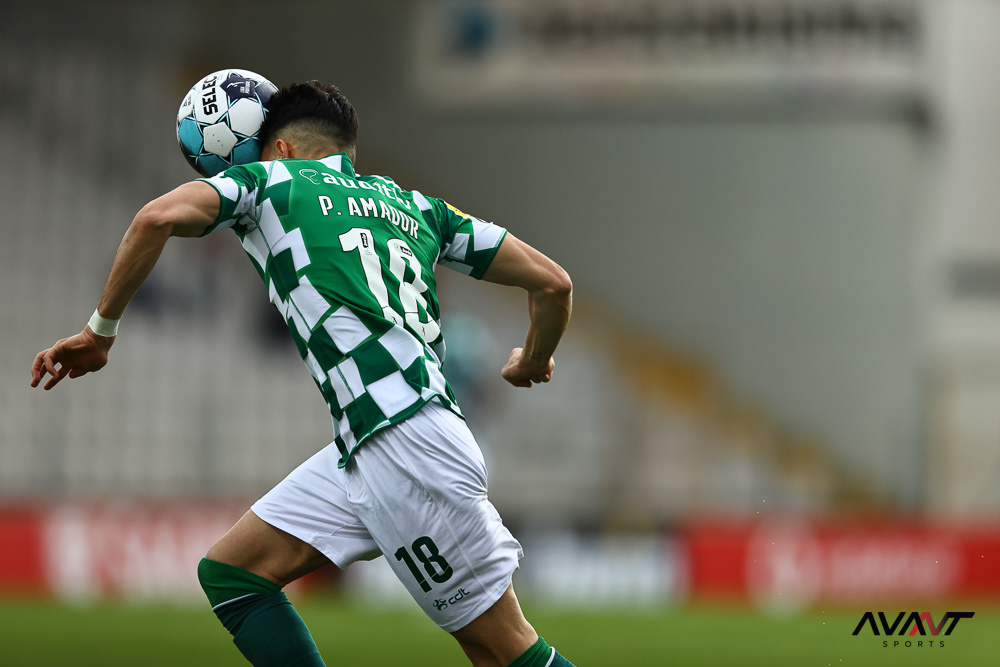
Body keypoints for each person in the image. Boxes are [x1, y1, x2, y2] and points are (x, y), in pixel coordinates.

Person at [30, 80, 575, 667]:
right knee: (234, 573)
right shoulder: (417, 208)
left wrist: (99, 333)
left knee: (501, 649)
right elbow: (553, 283)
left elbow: (155, 217)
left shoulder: (272, 182)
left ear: (283, 149)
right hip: (374, 440)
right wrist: (534, 356)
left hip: (407, 446)